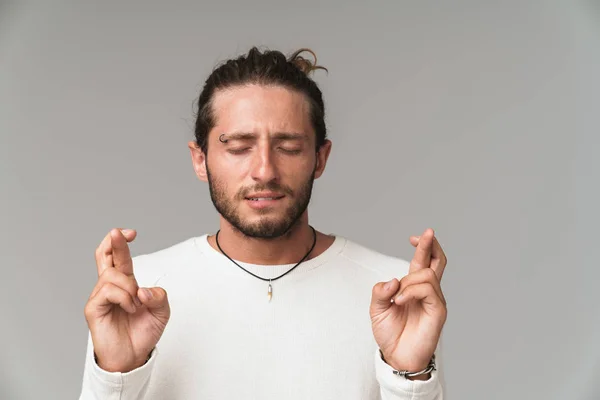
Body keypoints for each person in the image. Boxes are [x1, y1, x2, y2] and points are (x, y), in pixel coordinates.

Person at [79, 47, 448, 399]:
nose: (264, 171)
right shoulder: (138, 291)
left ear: (320, 159)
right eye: (239, 147)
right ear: (199, 159)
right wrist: (115, 376)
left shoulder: (395, 293)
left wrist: (410, 378)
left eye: (288, 147)